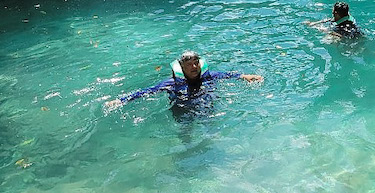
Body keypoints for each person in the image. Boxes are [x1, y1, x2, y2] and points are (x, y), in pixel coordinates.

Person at [107, 50, 263, 108]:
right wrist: (121, 100)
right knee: (184, 129)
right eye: (190, 65)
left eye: (196, 63)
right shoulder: (171, 84)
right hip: (182, 107)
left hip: (203, 103)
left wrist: (245, 76)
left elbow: (229, 75)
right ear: (182, 68)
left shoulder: (208, 76)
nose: (194, 67)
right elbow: (146, 92)